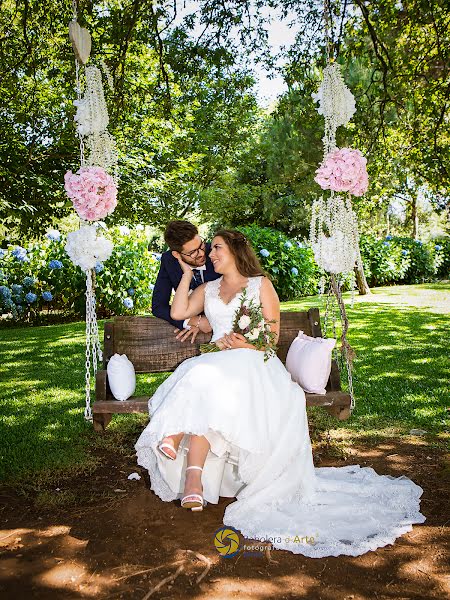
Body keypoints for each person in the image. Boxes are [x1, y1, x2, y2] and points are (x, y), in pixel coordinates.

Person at [136, 229, 425, 558]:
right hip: (221, 364)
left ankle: (180, 449)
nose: (210, 255)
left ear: (235, 251)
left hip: (255, 363)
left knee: (202, 374)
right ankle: (191, 478)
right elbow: (176, 313)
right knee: (203, 377)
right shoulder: (208, 288)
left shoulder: (260, 285)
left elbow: (270, 339)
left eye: (215, 248)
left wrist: (242, 342)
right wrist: (186, 276)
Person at [151, 220, 221, 343]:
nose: (201, 253)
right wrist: (192, 321)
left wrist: (209, 320)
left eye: (201, 245)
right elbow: (158, 306)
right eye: (192, 252)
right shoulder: (169, 261)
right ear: (177, 254)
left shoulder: (217, 252)